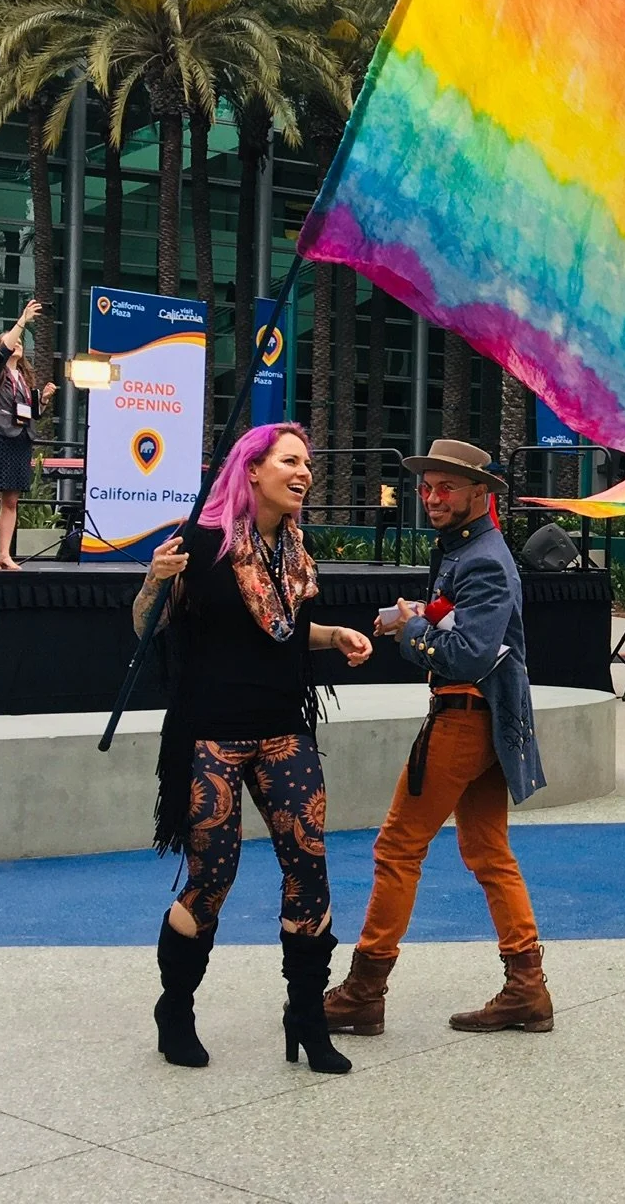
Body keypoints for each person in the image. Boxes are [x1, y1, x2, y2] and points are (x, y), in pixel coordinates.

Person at [134, 422, 374, 1074]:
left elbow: (285, 633)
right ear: (254, 469)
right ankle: (175, 1009)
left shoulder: (294, 551)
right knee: (212, 878)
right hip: (210, 733)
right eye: (291, 461)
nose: (304, 472)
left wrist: (335, 638)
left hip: (282, 729)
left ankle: (306, 1018)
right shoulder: (203, 545)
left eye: (307, 463)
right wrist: (155, 579)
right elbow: (143, 624)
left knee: (310, 869)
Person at [325, 438, 555, 1039]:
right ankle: (527, 988)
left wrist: (412, 627)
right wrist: (420, 615)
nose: (431, 496)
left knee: (397, 848)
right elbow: (459, 624)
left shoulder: (481, 557)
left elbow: (468, 653)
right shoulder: (469, 550)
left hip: (463, 720)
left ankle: (364, 992)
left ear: (482, 493)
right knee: (488, 854)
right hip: (487, 721)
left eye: (445, 486)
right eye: (426, 486)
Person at [0, 299, 56, 572]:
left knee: (11, 500)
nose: (18, 345)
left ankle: (5, 554)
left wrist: (41, 400)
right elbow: (6, 347)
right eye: (12, 343)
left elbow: (31, 412)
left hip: (20, 437)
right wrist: (23, 320)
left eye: (21, 343)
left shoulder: (23, 378)